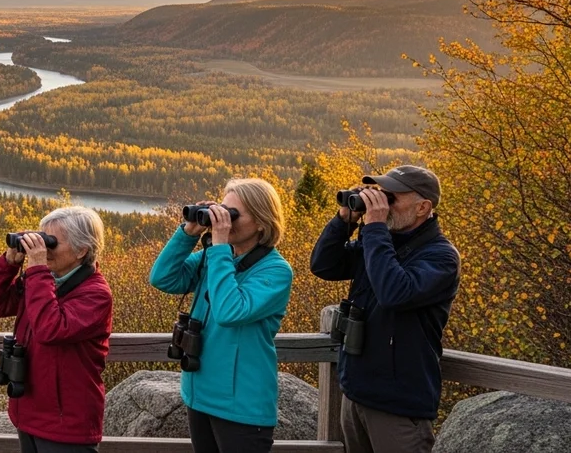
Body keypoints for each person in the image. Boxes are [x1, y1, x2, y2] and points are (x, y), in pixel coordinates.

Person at [310, 165, 460, 453]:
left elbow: (394, 293)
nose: (382, 204)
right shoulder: (379, 243)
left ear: (423, 207)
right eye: (381, 194)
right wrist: (344, 220)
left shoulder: (441, 257)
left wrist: (375, 228)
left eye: (391, 198)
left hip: (398, 407)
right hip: (355, 394)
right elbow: (324, 265)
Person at [148, 178, 293, 453]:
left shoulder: (275, 271)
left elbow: (229, 312)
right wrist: (188, 233)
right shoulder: (214, 259)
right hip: (199, 394)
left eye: (233, 214)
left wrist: (219, 249)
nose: (223, 220)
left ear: (261, 223)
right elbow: (162, 278)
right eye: (222, 210)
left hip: (242, 406)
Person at [0, 206, 114, 453]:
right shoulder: (42, 281)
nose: (43, 248)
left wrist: (37, 269)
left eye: (51, 242)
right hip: (28, 414)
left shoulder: (96, 294)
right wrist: (9, 263)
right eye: (42, 239)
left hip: (66, 425)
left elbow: (50, 329)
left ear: (81, 250)